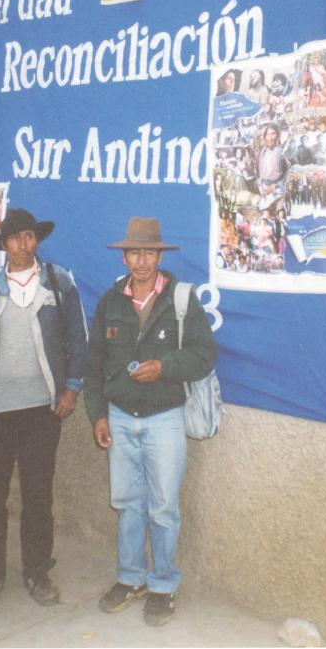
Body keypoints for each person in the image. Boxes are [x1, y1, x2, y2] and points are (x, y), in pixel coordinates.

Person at [0, 208, 88, 614]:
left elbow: (79, 339)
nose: (24, 245)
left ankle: (37, 572)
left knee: (38, 496)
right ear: (4, 245)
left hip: (41, 412)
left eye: (29, 237)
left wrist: (71, 388)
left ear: (36, 240)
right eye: (15, 238)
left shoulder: (59, 283)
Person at [84, 217, 217, 627]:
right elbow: (94, 364)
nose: (142, 261)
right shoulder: (111, 301)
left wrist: (165, 366)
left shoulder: (181, 299)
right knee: (127, 505)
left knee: (163, 507)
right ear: (124, 256)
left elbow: (203, 355)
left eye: (149, 253)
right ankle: (129, 578)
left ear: (160, 255)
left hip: (164, 419)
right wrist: (98, 415)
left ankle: (162, 585)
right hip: (121, 419)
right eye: (134, 253)